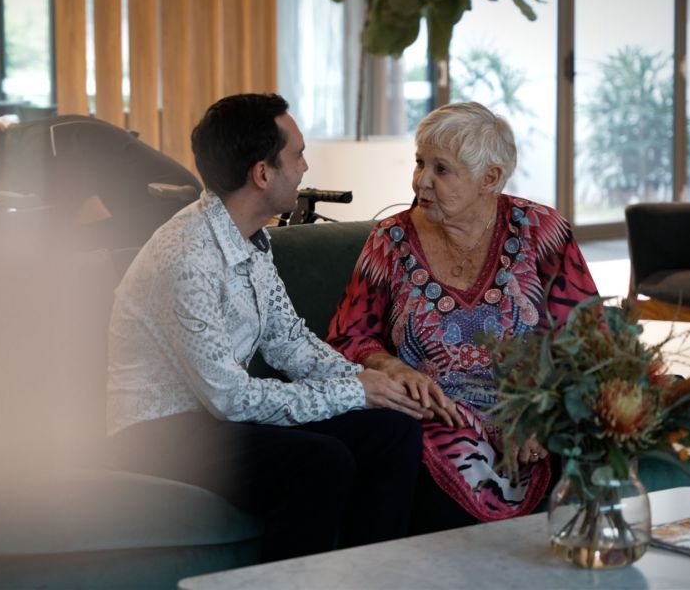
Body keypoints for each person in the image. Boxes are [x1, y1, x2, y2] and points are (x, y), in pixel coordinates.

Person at [106, 93, 443, 563]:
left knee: (392, 430)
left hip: (212, 417)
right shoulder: (186, 256)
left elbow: (288, 341)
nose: (305, 167)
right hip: (157, 430)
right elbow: (230, 398)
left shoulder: (251, 239)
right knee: (320, 464)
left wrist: (378, 386)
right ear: (263, 173)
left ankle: (369, 577)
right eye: (297, 154)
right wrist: (354, 392)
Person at [327, 102, 599, 534]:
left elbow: (588, 339)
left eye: (441, 169)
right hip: (441, 415)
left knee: (583, 446)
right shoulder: (390, 240)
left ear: (490, 178)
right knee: (436, 463)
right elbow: (348, 336)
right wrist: (392, 366)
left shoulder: (542, 230)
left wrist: (542, 415)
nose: (421, 181)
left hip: (532, 411)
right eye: (419, 163)